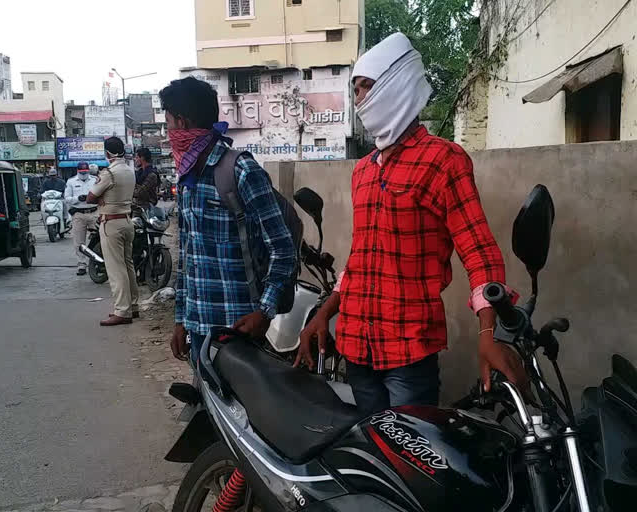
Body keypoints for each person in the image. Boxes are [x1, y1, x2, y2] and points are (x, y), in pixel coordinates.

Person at [296, 33, 527, 416]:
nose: (359, 99)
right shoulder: (363, 172)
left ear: (397, 84)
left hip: (408, 352)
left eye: (366, 86)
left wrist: (489, 334)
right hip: (356, 346)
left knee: (411, 465)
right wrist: (324, 314)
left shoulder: (444, 161)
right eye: (355, 90)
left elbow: (479, 253)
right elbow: (360, 262)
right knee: (373, 459)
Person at [163, 76, 297, 363]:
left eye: (169, 124)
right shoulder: (187, 180)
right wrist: (181, 321)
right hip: (198, 329)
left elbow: (283, 249)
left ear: (182, 123)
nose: (168, 132)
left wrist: (264, 311)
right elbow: (188, 257)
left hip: (238, 331)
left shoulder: (241, 170)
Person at [86, 137, 139, 326]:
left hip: (111, 223)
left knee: (116, 269)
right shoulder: (129, 170)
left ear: (108, 153)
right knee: (128, 264)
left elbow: (91, 197)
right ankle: (132, 306)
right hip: (126, 220)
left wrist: (101, 200)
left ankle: (122, 311)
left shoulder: (109, 173)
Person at [65, 162, 98, 276]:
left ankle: (98, 261)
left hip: (94, 212)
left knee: (101, 238)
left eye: (85, 172)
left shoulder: (95, 180)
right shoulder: (71, 182)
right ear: (77, 171)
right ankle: (82, 264)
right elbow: (67, 198)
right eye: (81, 172)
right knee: (79, 241)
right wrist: (78, 198)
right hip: (79, 213)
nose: (84, 174)